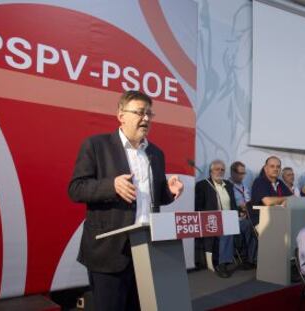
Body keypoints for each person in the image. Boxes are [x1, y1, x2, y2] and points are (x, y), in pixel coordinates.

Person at [68, 90, 184, 311]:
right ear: (121, 115)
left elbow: (155, 198)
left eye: (150, 113)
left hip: (147, 249)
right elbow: (76, 189)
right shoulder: (96, 145)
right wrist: (111, 186)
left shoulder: (155, 153)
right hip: (109, 251)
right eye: (140, 112)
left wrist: (168, 191)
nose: (147, 119)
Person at [195, 159, 239, 278]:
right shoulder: (202, 185)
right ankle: (222, 264)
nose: (220, 171)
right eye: (217, 169)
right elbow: (198, 206)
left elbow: (233, 204)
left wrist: (237, 214)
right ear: (210, 171)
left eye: (222, 169)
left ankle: (248, 260)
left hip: (229, 218)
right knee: (226, 231)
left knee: (244, 226)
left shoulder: (228, 185)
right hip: (211, 220)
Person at [229, 161, 257, 268]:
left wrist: (247, 207)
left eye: (243, 173)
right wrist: (239, 209)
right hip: (235, 217)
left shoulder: (244, 186)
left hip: (247, 215)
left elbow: (249, 200)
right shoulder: (228, 186)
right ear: (232, 172)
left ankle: (254, 257)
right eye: (240, 173)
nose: (242, 176)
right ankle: (250, 259)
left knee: (258, 224)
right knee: (250, 227)